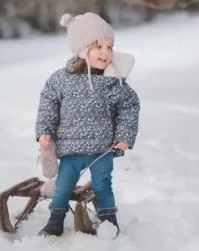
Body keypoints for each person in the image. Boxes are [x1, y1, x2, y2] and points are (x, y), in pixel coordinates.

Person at [35, 12, 140, 237]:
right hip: (71, 149)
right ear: (83, 50)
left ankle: (109, 219)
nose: (106, 52)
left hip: (103, 148)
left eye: (110, 47)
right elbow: (48, 104)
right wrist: (45, 131)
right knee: (63, 185)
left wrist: (124, 137)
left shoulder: (112, 81)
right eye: (99, 46)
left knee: (103, 184)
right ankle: (56, 219)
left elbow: (129, 107)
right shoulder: (60, 80)